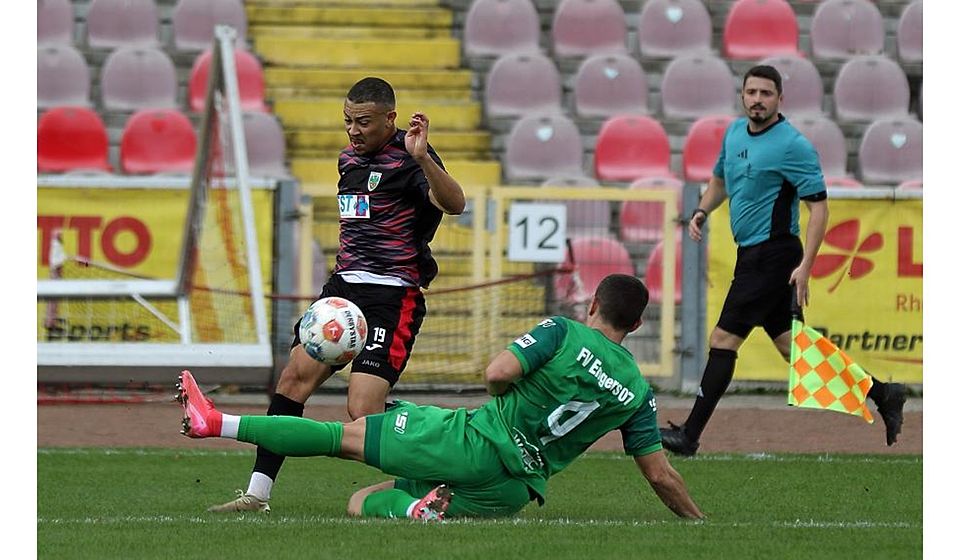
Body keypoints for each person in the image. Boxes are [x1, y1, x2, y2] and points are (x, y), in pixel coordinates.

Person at [178, 275, 705, 521]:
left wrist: (506, 389)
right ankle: (417, 506)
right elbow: (660, 474)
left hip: (474, 442)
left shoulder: (564, 331)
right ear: (635, 325)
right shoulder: (636, 391)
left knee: (341, 437)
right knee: (363, 502)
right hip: (515, 491)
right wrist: (696, 522)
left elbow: (497, 373)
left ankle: (214, 422)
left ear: (593, 304)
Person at [207, 77, 466, 512]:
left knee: (362, 410)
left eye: (363, 122)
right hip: (342, 292)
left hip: (392, 296)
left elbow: (455, 203)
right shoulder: (348, 160)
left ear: (391, 118)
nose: (353, 131)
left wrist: (423, 160)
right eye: (347, 121)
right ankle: (257, 495)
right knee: (292, 379)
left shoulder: (412, 155)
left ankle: (443, 448)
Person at [660, 65, 906, 457]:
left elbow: (819, 210)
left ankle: (689, 435)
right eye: (751, 92)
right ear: (742, 95)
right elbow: (721, 180)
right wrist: (702, 211)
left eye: (766, 93)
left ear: (779, 99)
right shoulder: (734, 133)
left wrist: (805, 267)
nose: (757, 99)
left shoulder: (793, 146)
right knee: (796, 351)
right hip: (751, 256)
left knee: (722, 340)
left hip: (775, 256)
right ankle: (884, 393)